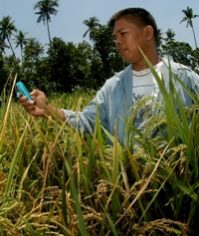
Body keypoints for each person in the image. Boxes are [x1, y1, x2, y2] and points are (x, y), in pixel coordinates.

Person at [19, 7, 199, 145]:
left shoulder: (184, 78)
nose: (117, 42)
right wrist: (47, 110)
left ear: (147, 33)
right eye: (115, 37)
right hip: (127, 187)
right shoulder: (113, 87)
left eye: (123, 34)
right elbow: (87, 123)